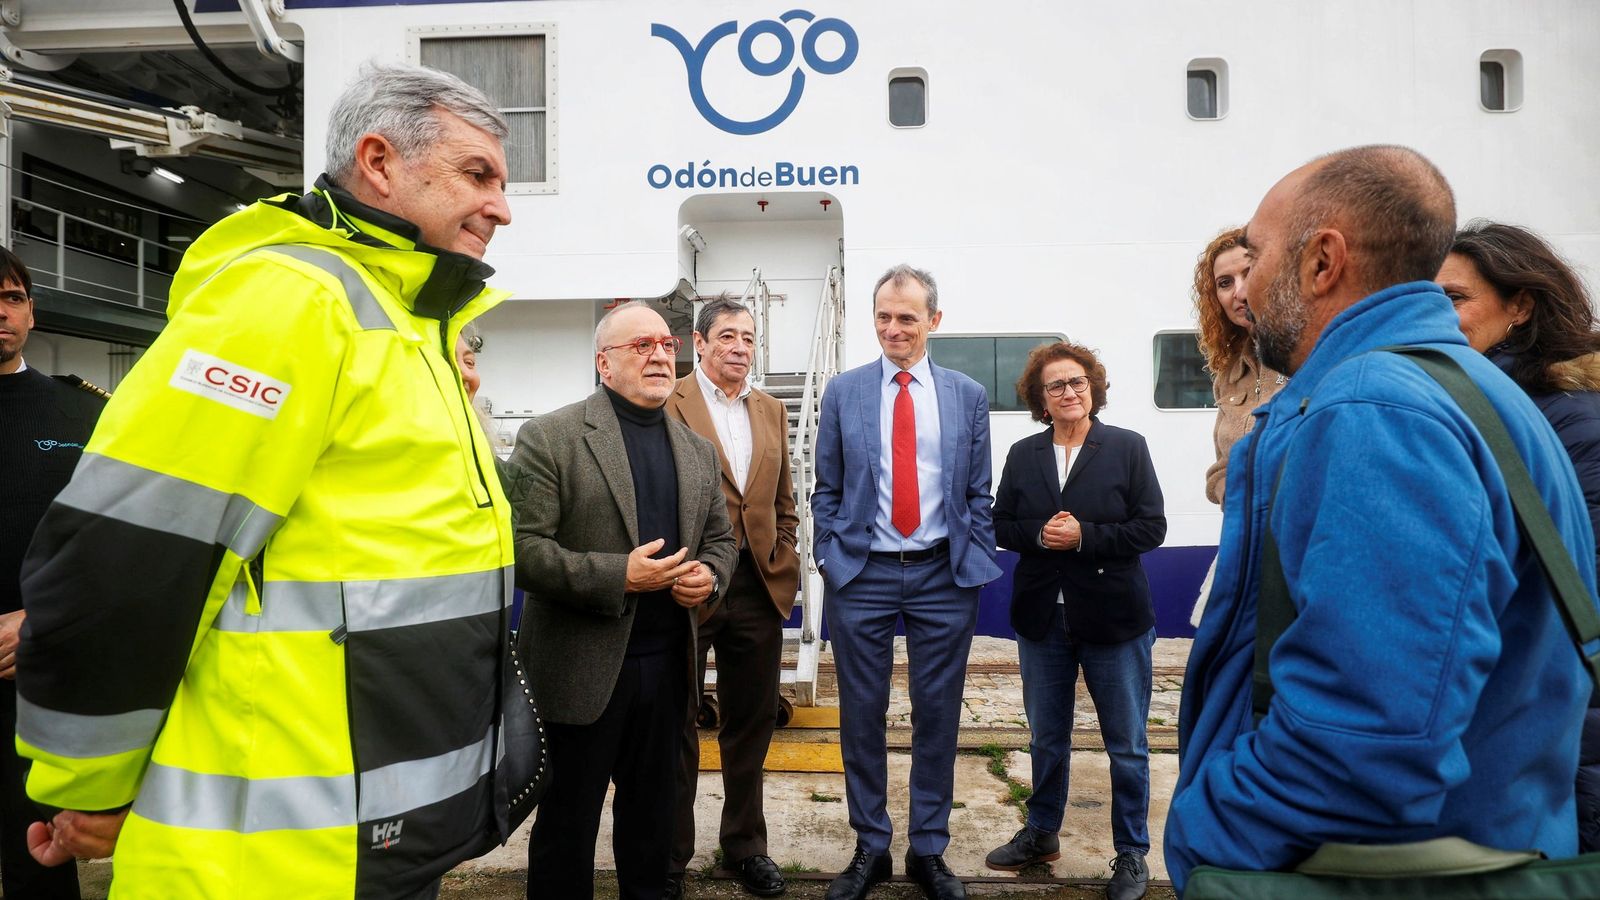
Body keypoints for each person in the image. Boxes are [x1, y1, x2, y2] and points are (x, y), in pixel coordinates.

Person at [15, 63, 523, 899]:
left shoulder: (404, 323)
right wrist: (90, 788)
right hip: (271, 858)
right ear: (380, 161)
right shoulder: (289, 303)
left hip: (366, 840)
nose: (502, 207)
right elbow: (128, 560)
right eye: (478, 174)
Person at [1166, 145, 1599, 892]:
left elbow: (1365, 738)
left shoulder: (1378, 409)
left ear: (1323, 261)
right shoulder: (1463, 387)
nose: (1245, 289)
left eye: (1259, 254)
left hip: (1380, 872)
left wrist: (1208, 828)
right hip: (1490, 837)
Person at [507, 300, 738, 899]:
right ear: (603, 363)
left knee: (653, 833)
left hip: (667, 676)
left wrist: (708, 578)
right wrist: (619, 576)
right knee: (566, 831)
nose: (661, 354)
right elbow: (522, 551)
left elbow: (720, 541)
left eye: (666, 344)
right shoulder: (551, 438)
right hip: (579, 676)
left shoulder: (697, 451)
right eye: (642, 346)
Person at [811, 264, 1001, 900]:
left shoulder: (966, 395)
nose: (894, 328)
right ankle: (870, 847)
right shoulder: (844, 391)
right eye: (884, 317)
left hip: (941, 576)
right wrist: (829, 554)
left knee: (937, 715)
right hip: (861, 574)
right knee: (861, 715)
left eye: (907, 318)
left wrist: (972, 553)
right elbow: (827, 487)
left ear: (934, 322)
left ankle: (928, 848)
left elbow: (978, 491)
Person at [1437, 220, 1600, 851]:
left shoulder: (1567, 418)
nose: (1437, 315)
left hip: (1565, 730)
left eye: (1454, 298)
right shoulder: (1494, 401)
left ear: (1521, 305)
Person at [983, 341, 1165, 900]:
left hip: (1114, 618)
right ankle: (1041, 834)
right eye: (1057, 385)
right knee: (1046, 738)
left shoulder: (1127, 447)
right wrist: (1040, 534)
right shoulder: (1024, 454)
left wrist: (1086, 536)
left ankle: (1132, 854)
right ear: (1041, 398)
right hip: (1043, 620)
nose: (1070, 392)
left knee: (1127, 744)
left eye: (1078, 381)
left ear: (1094, 387)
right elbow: (1001, 523)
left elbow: (1150, 528)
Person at [665, 297, 801, 898]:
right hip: (688, 586)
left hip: (759, 585)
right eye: (726, 336)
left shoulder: (770, 409)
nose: (739, 347)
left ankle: (746, 846)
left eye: (748, 338)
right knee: (676, 725)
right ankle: (670, 853)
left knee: (750, 726)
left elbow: (781, 501)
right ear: (699, 343)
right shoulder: (667, 403)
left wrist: (785, 556)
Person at [0, 248, 104, 900]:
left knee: (38, 858)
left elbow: (111, 548)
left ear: (32, 312)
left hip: (37, 676)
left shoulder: (84, 416)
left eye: (11, 297)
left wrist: (40, 620)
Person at [1194, 226, 1286, 506]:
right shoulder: (1229, 374)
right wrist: (1231, 497)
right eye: (1225, 283)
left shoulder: (1315, 356)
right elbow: (1223, 466)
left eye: (1249, 273)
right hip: (1247, 531)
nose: (1240, 292)